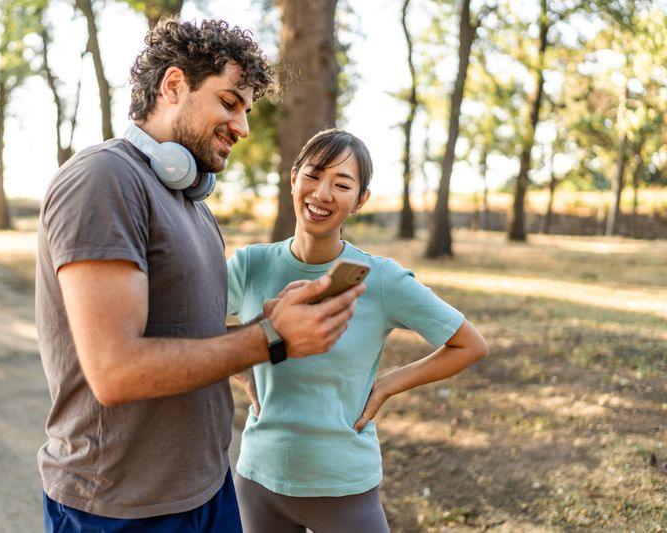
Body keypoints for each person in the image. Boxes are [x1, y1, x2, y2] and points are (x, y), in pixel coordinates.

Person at [35, 20, 365, 533]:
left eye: (247, 111)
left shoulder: (193, 207)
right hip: (120, 509)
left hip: (207, 490)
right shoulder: (103, 179)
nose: (243, 127)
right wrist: (269, 338)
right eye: (230, 103)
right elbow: (115, 370)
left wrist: (276, 322)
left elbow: (192, 343)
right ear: (172, 86)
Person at [227, 129, 489, 533]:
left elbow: (469, 344)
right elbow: (192, 325)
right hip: (258, 479)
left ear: (360, 201)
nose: (323, 193)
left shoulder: (380, 279)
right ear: (293, 177)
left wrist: (387, 384)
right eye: (313, 175)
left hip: (343, 484)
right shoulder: (250, 266)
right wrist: (241, 367)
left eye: (342, 184)